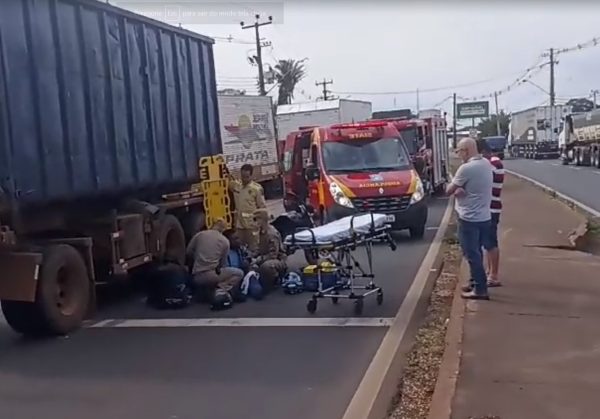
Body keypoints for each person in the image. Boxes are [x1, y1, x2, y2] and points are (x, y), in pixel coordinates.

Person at [446, 137, 493, 300]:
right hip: (484, 216)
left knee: (471, 254)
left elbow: (448, 190)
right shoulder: (487, 164)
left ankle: (480, 289)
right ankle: (475, 282)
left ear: (466, 150)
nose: (458, 154)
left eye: (459, 151)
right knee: (478, 252)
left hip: (468, 218)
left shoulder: (466, 169)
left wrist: (457, 188)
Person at [186, 218, 244, 307]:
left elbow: (189, 252)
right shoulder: (225, 241)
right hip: (211, 275)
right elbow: (222, 265)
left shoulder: (199, 235)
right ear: (223, 228)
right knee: (238, 273)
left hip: (196, 276)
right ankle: (220, 290)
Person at [477, 139, 504, 288]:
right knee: (487, 244)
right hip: (489, 208)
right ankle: (489, 272)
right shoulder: (492, 163)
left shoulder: (493, 163)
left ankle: (493, 275)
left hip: (491, 209)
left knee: (490, 243)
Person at [228, 163, 267, 254]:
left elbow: (262, 208)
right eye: (242, 176)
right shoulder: (237, 186)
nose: (244, 179)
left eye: (247, 177)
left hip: (251, 226)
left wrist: (262, 225)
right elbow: (228, 181)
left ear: (251, 176)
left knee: (253, 249)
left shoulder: (256, 189)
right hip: (239, 225)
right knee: (240, 249)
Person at [252, 208, 287, 292]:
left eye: (256, 219)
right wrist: (251, 255)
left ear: (262, 220)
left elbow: (273, 254)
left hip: (278, 259)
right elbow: (259, 248)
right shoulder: (262, 232)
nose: (255, 222)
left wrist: (258, 259)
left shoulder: (271, 233)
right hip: (265, 257)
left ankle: (275, 279)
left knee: (266, 266)